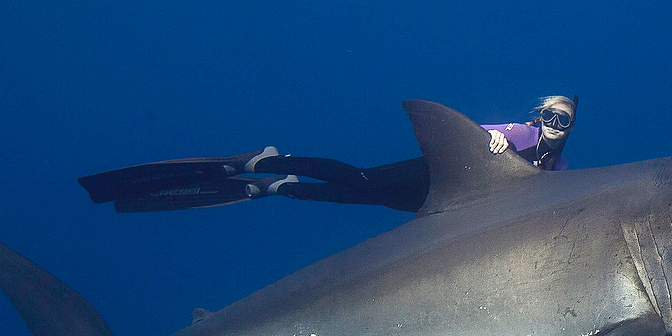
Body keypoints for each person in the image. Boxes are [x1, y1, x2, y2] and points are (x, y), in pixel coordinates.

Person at [78, 95, 578, 215]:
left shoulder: (558, 168)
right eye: (550, 117)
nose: (555, 127)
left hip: (447, 200)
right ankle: (264, 160)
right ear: (539, 118)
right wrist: (491, 140)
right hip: (437, 174)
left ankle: (278, 187)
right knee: (361, 179)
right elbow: (479, 135)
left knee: (361, 201)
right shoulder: (519, 134)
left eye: (564, 121)